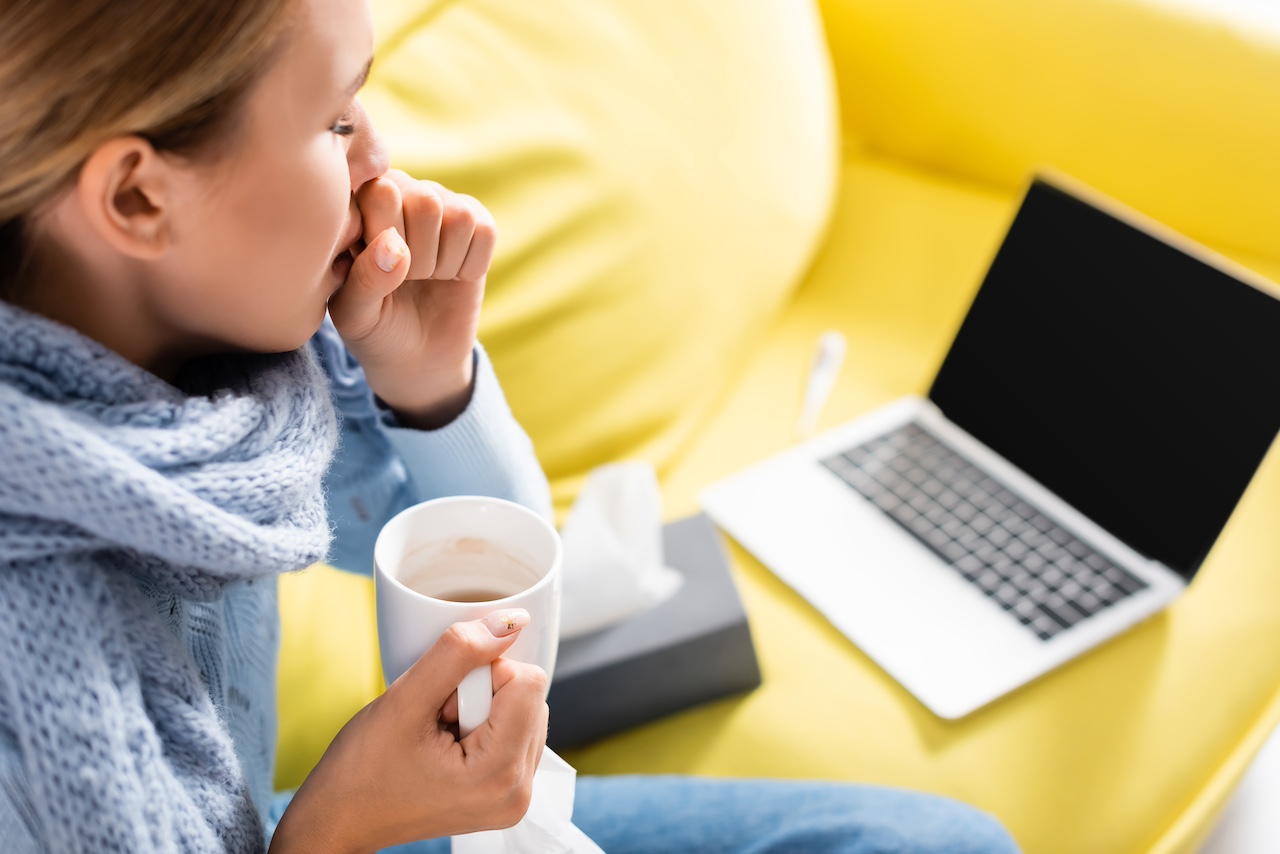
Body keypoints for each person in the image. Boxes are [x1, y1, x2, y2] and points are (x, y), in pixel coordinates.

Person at [0, 0, 1023, 851]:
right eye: (336, 123)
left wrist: (428, 380)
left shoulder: (235, 381)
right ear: (137, 195)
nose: (381, 159)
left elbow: (507, 571)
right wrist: (339, 824)